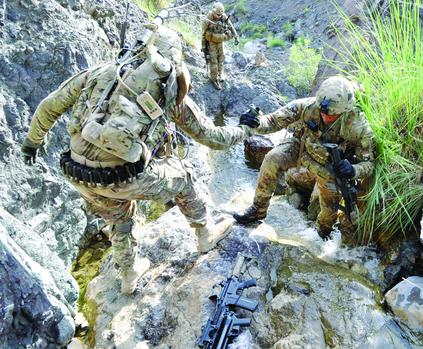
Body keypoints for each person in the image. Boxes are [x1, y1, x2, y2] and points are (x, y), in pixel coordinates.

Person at [20, 26, 254, 295]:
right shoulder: (166, 89)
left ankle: (129, 273)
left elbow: (49, 106)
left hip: (77, 174)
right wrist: (246, 128)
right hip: (125, 178)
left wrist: (31, 144)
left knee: (119, 214)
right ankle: (205, 233)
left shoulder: (100, 73)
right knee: (184, 175)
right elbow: (214, 138)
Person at [234, 76, 375, 239]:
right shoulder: (306, 106)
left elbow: (369, 164)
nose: (326, 117)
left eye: (333, 115)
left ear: (345, 110)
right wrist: (256, 123)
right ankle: (257, 210)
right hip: (302, 148)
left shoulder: (359, 128)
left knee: (328, 212)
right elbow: (273, 121)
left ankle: (321, 235)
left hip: (330, 168)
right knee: (272, 158)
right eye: (323, 112)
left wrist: (352, 170)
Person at [201, 1, 239, 90]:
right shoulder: (207, 20)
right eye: (217, 14)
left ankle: (220, 74)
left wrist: (236, 36)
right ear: (213, 12)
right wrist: (203, 47)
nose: (219, 16)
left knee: (221, 58)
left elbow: (230, 26)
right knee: (213, 60)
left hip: (220, 40)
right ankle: (214, 79)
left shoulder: (223, 17)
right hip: (211, 42)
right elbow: (203, 34)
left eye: (220, 14)